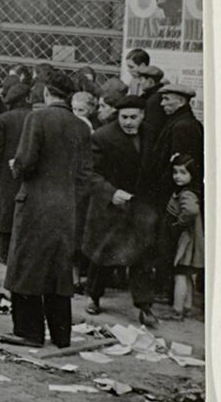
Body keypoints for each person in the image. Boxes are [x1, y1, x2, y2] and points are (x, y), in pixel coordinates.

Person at [0, 70, 93, 349]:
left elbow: (27, 161)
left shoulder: (37, 118)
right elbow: (85, 173)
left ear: (47, 92)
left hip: (36, 204)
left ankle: (29, 332)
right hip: (65, 207)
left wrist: (15, 165)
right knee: (58, 269)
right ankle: (61, 334)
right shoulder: (80, 126)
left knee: (26, 265)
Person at [82, 95, 159, 326]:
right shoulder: (102, 137)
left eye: (133, 117)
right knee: (103, 255)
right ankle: (94, 297)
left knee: (142, 256)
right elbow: (89, 173)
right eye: (124, 117)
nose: (128, 122)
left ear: (142, 116)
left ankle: (145, 306)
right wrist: (110, 192)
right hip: (111, 207)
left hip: (139, 205)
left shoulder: (151, 134)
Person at [147, 84, 204, 305]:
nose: (162, 104)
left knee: (169, 243)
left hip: (174, 197)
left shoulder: (182, 127)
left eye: (167, 99)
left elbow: (181, 166)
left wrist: (173, 194)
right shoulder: (184, 123)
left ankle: (166, 293)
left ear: (180, 101)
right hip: (175, 194)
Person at [0, 83, 32, 264]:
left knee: (5, 209)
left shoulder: (2, 119)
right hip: (29, 170)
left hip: (6, 171)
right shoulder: (34, 117)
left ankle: (4, 253)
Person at [163, 153, 204, 321]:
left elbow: (191, 210)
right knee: (187, 274)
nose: (178, 176)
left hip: (186, 241)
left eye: (183, 172)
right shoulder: (191, 190)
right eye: (175, 172)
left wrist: (180, 222)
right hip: (192, 241)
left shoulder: (187, 194)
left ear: (192, 174)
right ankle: (187, 307)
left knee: (179, 274)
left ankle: (177, 310)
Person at [134, 65, 167, 143]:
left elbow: (150, 130)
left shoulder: (154, 101)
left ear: (151, 81)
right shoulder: (155, 96)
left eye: (141, 79)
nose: (139, 82)